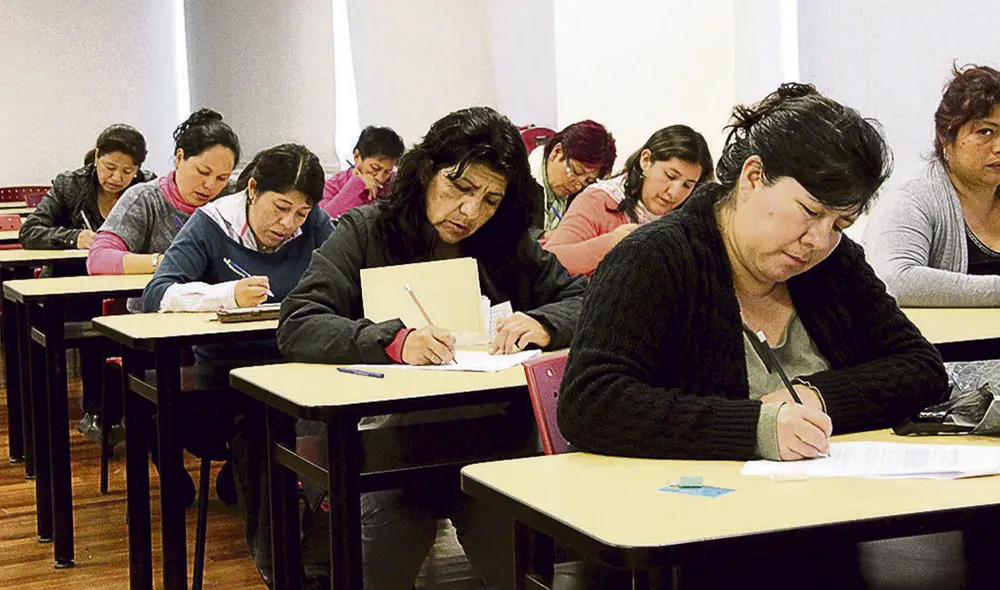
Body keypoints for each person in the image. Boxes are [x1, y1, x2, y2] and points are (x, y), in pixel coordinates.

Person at [557, 83, 950, 587]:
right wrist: (758, 428)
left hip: (817, 536)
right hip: (687, 549)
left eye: (842, 222)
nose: (819, 240)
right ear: (753, 176)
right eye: (809, 211)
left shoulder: (833, 265)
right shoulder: (656, 258)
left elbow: (920, 368)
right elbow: (593, 402)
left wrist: (813, 397)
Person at [277, 106, 587, 589]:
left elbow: (584, 300)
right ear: (426, 172)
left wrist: (544, 322)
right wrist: (392, 340)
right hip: (389, 443)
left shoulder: (504, 242)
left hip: (489, 437)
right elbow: (299, 321)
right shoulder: (366, 230)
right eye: (460, 189)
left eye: (490, 200)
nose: (471, 212)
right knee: (380, 566)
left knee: (517, 568)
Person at [140, 143, 332, 582]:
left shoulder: (317, 225)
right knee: (266, 424)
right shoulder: (211, 225)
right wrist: (223, 294)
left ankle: (326, 559)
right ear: (251, 190)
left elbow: (353, 277)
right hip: (230, 379)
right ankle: (283, 568)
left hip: (300, 367)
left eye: (300, 214)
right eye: (280, 208)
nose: (289, 224)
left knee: (340, 423)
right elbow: (158, 292)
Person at [864, 65, 1000, 307]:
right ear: (945, 136)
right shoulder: (913, 199)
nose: (998, 147)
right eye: (985, 131)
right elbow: (895, 280)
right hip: (941, 344)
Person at [87, 108, 240, 278]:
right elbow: (98, 259)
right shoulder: (145, 199)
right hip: (159, 302)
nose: (210, 185)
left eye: (222, 178)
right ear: (179, 157)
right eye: (203, 172)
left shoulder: (234, 199)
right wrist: (166, 262)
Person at [544, 125, 712, 276]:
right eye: (670, 176)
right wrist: (611, 243)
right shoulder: (598, 200)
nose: (674, 193)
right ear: (646, 160)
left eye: (687, 185)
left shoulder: (686, 221)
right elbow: (550, 264)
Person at [20, 124, 155, 250]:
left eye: (127, 171)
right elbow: (29, 231)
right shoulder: (70, 185)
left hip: (131, 271)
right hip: (73, 270)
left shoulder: (149, 189)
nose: (116, 178)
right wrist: (73, 238)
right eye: (110, 167)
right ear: (97, 157)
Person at [528, 120, 616, 236]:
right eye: (576, 171)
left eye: (587, 181)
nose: (578, 185)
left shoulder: (580, 193)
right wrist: (544, 236)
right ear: (557, 152)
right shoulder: (517, 179)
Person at [320, 125, 405, 219]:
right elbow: (323, 222)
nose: (380, 178)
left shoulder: (393, 185)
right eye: (375, 168)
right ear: (357, 156)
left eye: (387, 171)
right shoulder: (333, 186)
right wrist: (356, 184)